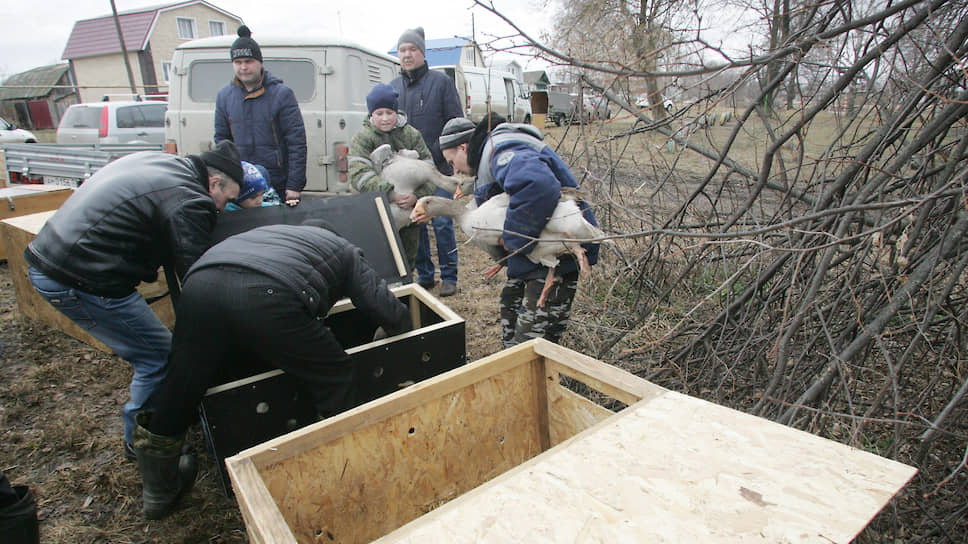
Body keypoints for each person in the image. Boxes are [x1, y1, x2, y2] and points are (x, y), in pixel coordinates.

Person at [131, 221, 412, 519]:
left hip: (199, 286)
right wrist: (400, 329)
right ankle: (348, 468)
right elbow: (385, 307)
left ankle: (159, 491)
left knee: (184, 381)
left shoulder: (275, 235)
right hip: (267, 294)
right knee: (335, 373)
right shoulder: (343, 249)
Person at [24, 141, 243, 460]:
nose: (223, 208)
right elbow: (200, 278)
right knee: (157, 356)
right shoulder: (189, 199)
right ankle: (142, 446)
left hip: (56, 255)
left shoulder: (164, 164)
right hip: (78, 276)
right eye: (227, 199)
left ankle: (166, 415)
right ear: (213, 182)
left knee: (157, 349)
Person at [438, 114, 600, 347]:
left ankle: (533, 377)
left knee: (532, 343)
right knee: (510, 310)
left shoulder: (501, 151)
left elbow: (537, 185)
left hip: (554, 259)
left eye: (452, 162)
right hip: (532, 258)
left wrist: (512, 240)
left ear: (463, 147)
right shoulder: (492, 155)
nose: (457, 170)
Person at [391, 27, 464, 297]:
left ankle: (449, 275)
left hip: (438, 170)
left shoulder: (440, 82)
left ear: (423, 53)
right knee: (415, 222)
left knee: (442, 222)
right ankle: (424, 274)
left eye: (413, 49)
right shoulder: (392, 88)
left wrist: (451, 158)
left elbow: (456, 123)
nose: (407, 54)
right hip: (408, 175)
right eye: (403, 50)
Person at [215, 25, 307, 206]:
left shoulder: (282, 94)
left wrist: (294, 185)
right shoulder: (224, 96)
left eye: (248, 61)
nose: (243, 67)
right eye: (238, 62)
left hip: (278, 184)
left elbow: (296, 142)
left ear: (260, 62)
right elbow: (222, 141)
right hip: (242, 187)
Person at [349, 83, 436, 266]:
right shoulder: (363, 138)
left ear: (397, 112)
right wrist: (390, 194)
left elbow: (430, 171)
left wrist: (416, 197)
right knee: (378, 258)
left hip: (408, 212)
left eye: (389, 112)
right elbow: (359, 175)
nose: (385, 118)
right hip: (375, 211)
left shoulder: (411, 135)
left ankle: (406, 291)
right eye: (379, 113)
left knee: (407, 257)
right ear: (371, 114)